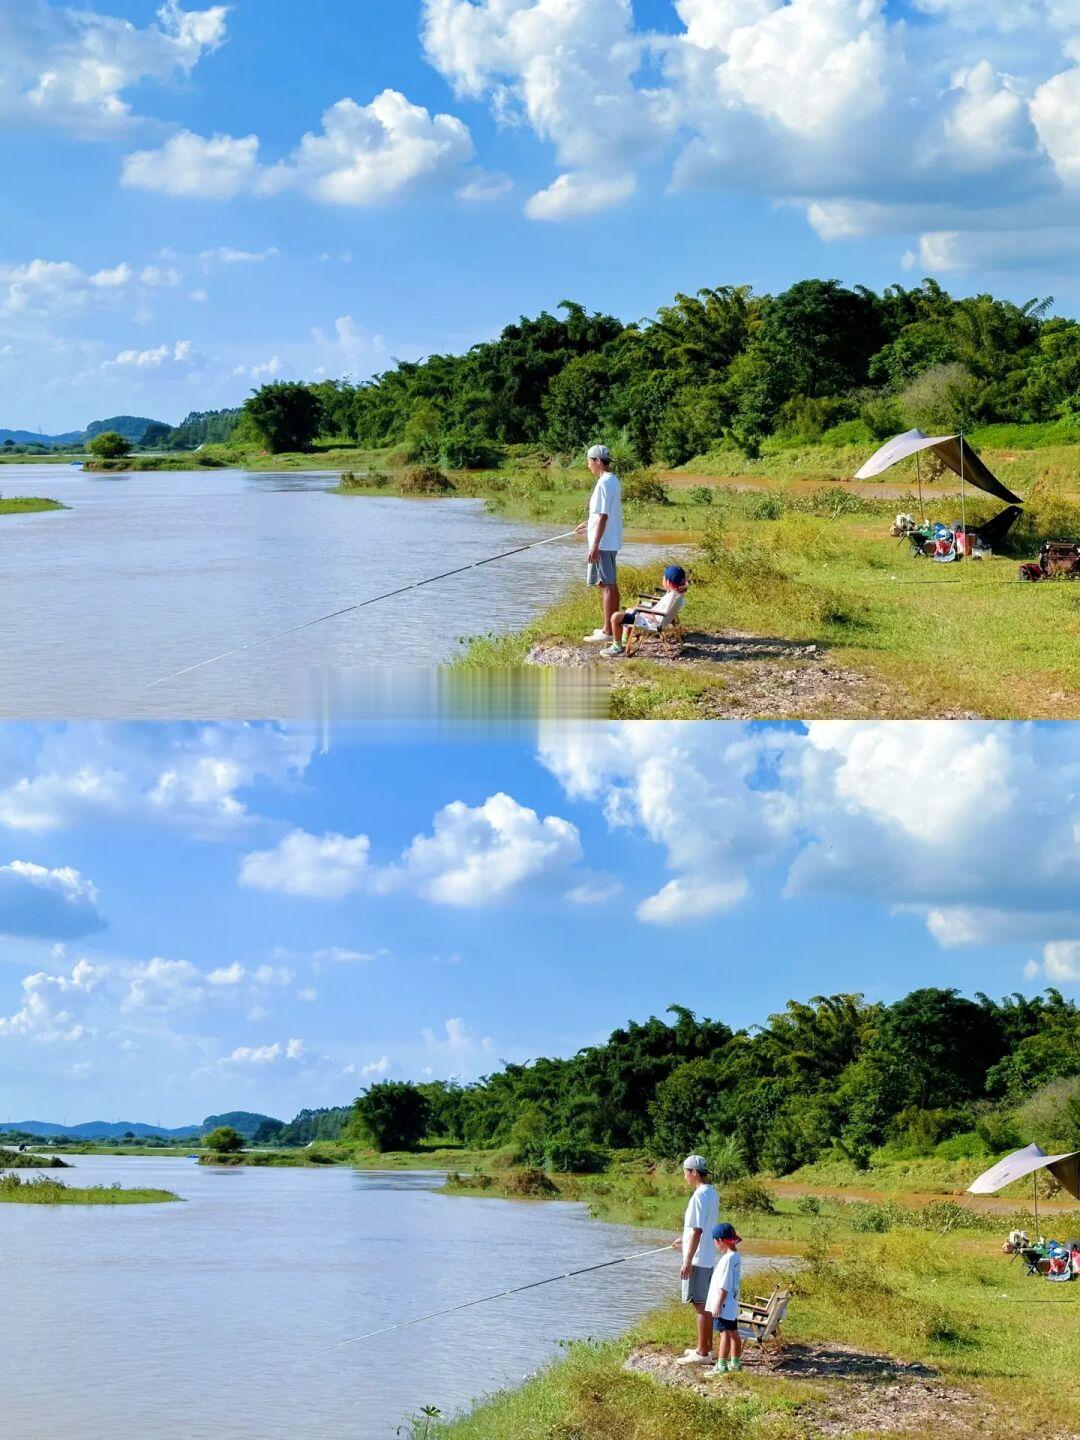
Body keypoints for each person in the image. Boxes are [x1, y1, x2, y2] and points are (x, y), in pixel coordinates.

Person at [671, 1154, 720, 1365]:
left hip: (698, 1258)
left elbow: (699, 1230)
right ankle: (705, 1348)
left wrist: (687, 1260)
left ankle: (702, 1354)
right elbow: (700, 1228)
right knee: (704, 1305)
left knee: (700, 1306)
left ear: (693, 1172)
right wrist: (685, 1239)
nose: (684, 1177)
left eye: (685, 1172)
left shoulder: (699, 1196)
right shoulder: (711, 1193)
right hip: (707, 1256)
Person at [575, 443, 623, 643]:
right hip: (608, 540)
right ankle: (610, 627)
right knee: (608, 584)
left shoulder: (604, 483)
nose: (588, 466)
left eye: (589, 462)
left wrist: (594, 545)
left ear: (597, 461)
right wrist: (589, 523)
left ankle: (607, 631)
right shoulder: (612, 480)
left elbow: (603, 516)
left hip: (603, 543)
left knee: (606, 585)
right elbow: (602, 514)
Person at [602, 564, 688, 657]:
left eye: (663, 577)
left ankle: (616, 647)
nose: (662, 578)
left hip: (650, 622)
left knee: (615, 617)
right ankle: (624, 640)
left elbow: (657, 616)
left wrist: (642, 611)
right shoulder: (676, 594)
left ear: (668, 582)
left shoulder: (672, 597)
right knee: (629, 610)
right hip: (655, 618)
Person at [705, 1222, 743, 1375]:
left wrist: (717, 1305)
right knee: (733, 1331)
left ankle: (721, 1365)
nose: (714, 1244)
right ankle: (735, 1363)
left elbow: (724, 1285)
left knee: (724, 1333)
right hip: (731, 1303)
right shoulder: (735, 1256)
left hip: (724, 1303)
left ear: (720, 1240)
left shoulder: (728, 1259)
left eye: (714, 1240)